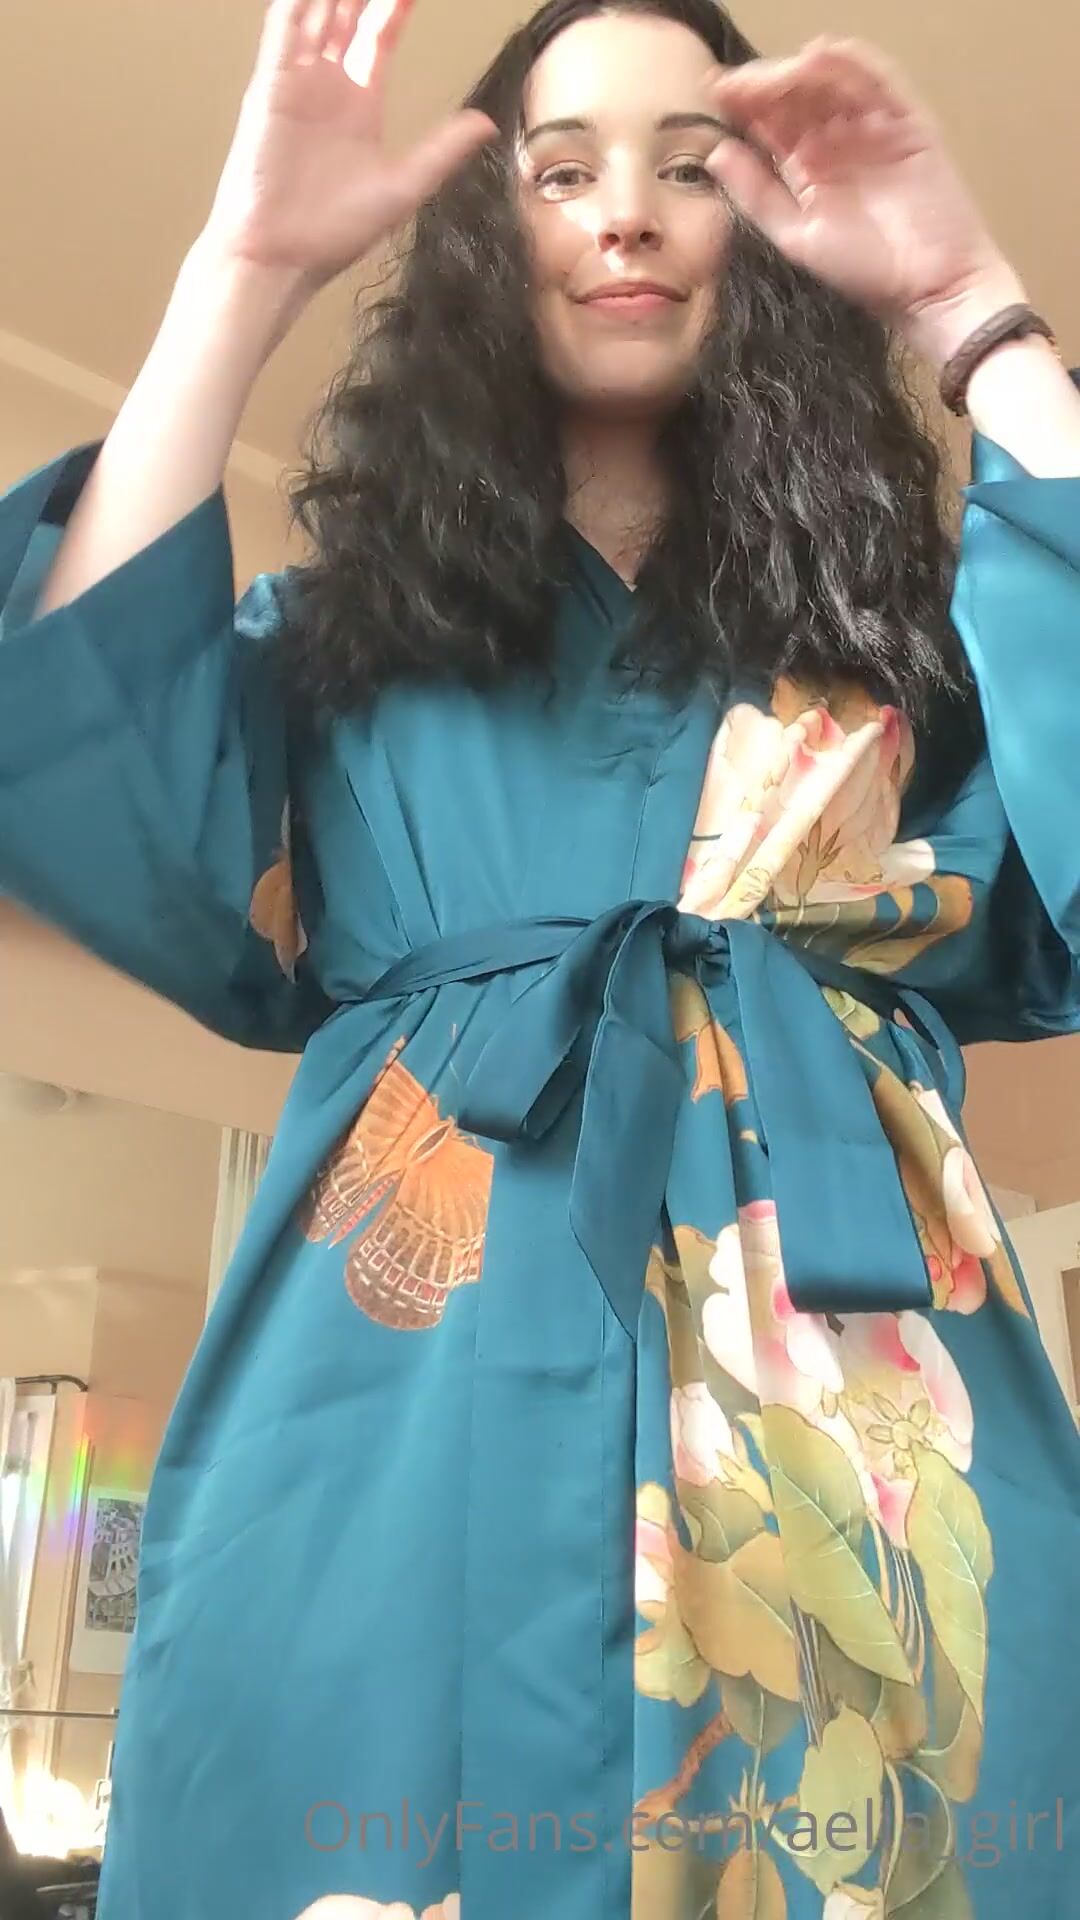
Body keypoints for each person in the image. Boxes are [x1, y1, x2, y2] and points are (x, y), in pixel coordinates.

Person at [1, 1, 1078, 1914]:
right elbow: (84, 772)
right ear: (485, 244)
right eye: (561, 170)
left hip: (859, 1417)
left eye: (694, 167)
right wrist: (242, 268)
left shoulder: (909, 659)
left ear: (771, 236)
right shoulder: (340, 641)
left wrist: (970, 307)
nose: (627, 213)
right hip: (390, 1400)